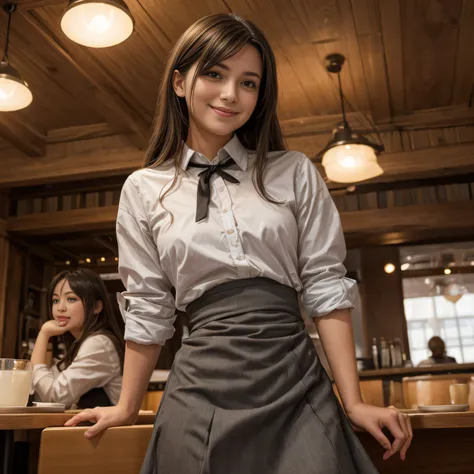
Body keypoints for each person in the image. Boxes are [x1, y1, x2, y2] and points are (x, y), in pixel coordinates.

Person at [66, 13, 412, 473]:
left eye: (248, 82)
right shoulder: (143, 188)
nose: (231, 94)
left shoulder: (293, 171)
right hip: (198, 385)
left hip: (294, 377)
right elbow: (149, 305)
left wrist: (353, 400)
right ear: (179, 83)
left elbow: (325, 285)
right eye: (214, 73)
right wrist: (127, 406)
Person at [31, 269, 124, 408]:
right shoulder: (79, 344)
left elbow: (55, 396)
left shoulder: (99, 344)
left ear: (96, 307)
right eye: (55, 300)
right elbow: (42, 389)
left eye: (71, 299)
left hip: (101, 429)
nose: (60, 308)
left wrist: (44, 334)